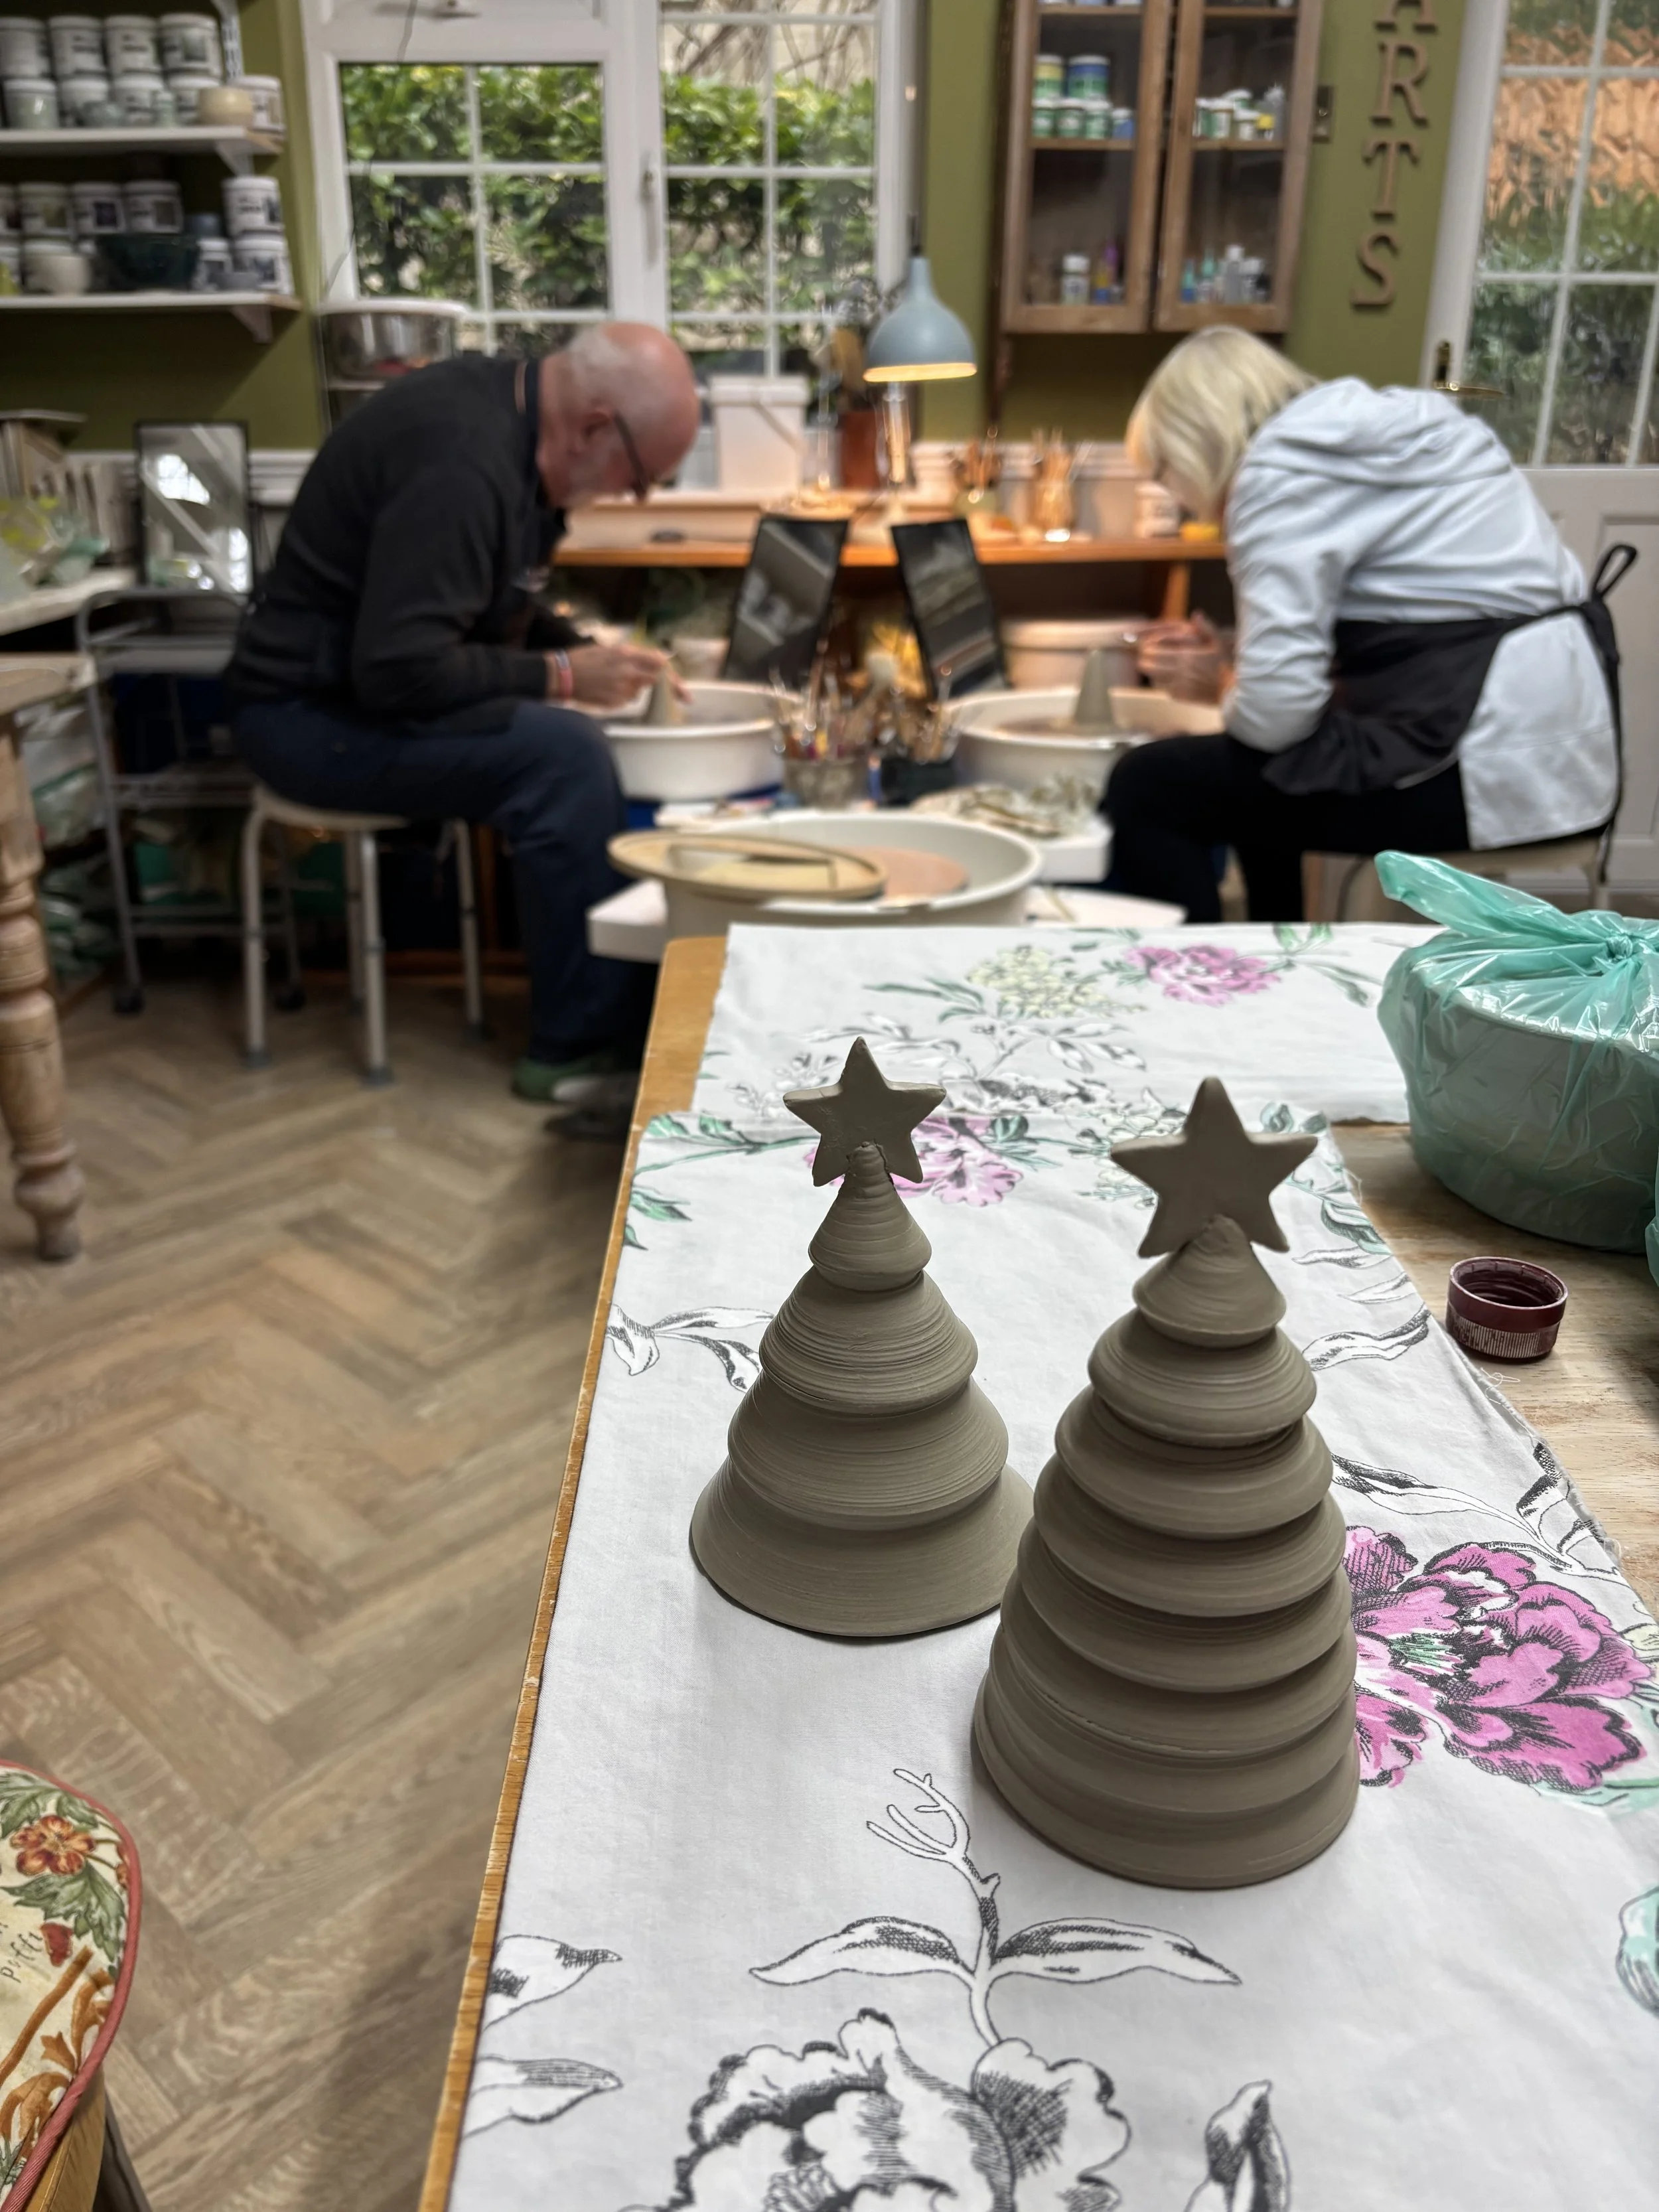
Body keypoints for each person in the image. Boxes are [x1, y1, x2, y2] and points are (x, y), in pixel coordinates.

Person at [228, 322, 702, 1101]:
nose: (634, 496)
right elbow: (400, 672)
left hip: (354, 697)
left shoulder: (515, 434)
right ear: (592, 427)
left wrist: (586, 654)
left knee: (575, 737)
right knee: (565, 759)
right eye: (640, 476)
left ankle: (620, 1007)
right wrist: (559, 675)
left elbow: (489, 602)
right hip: (304, 719)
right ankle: (573, 1048)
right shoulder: (460, 464)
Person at [1105, 328, 1624, 921]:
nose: (1177, 497)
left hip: (1486, 775)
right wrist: (1233, 652)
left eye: (1164, 473)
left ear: (1197, 441)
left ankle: (1192, 991)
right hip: (1566, 754)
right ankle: (1277, 955)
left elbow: (1274, 720)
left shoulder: (1280, 469)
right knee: (1245, 774)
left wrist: (1217, 683)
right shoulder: (1419, 424)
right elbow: (1422, 613)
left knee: (1149, 786)